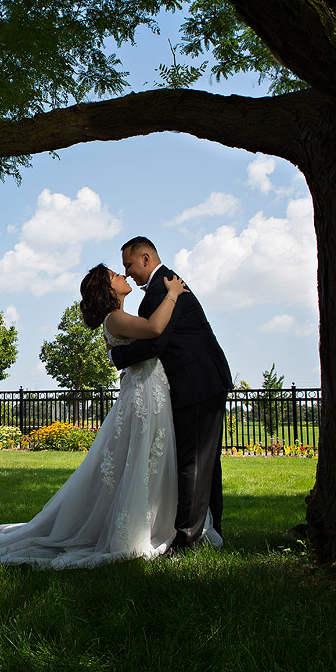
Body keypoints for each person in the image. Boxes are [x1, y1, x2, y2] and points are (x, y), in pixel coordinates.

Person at [0, 266, 191, 569]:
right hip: (142, 396)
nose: (123, 276)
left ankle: (151, 520)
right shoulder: (114, 318)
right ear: (106, 289)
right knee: (139, 458)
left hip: (147, 393)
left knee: (143, 458)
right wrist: (172, 294)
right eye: (115, 275)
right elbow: (155, 329)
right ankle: (137, 528)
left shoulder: (120, 318)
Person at [112, 236, 232, 551]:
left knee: (193, 461)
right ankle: (212, 531)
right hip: (203, 381)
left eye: (129, 265)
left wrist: (116, 356)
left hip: (198, 382)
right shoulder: (163, 287)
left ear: (146, 258)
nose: (128, 272)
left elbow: (155, 342)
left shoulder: (164, 287)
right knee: (206, 462)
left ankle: (187, 539)